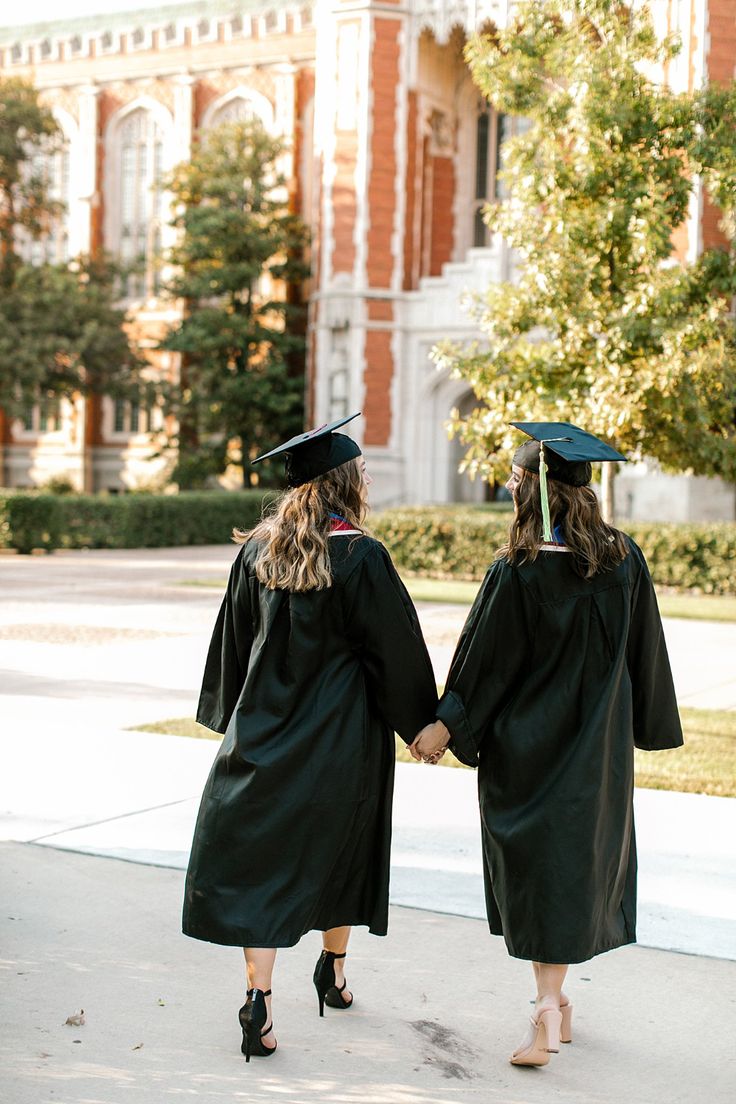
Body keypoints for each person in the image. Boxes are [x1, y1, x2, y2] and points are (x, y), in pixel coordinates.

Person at [411, 421, 683, 1068]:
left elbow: (483, 667)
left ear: (530, 493)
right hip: (595, 754)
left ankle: (545, 1009)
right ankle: (555, 1001)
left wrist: (441, 730)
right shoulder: (624, 561)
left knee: (539, 872)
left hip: (526, 754)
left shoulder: (520, 571)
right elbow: (647, 654)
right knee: (574, 868)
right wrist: (647, 725)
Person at [182, 413, 438, 1061]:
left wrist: (232, 722)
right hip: (341, 745)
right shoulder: (361, 556)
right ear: (347, 482)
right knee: (342, 851)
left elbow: (232, 653)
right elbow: (395, 655)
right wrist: (423, 725)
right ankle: (333, 970)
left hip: (263, 740)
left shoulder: (257, 552)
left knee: (263, 867)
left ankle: (259, 1000)